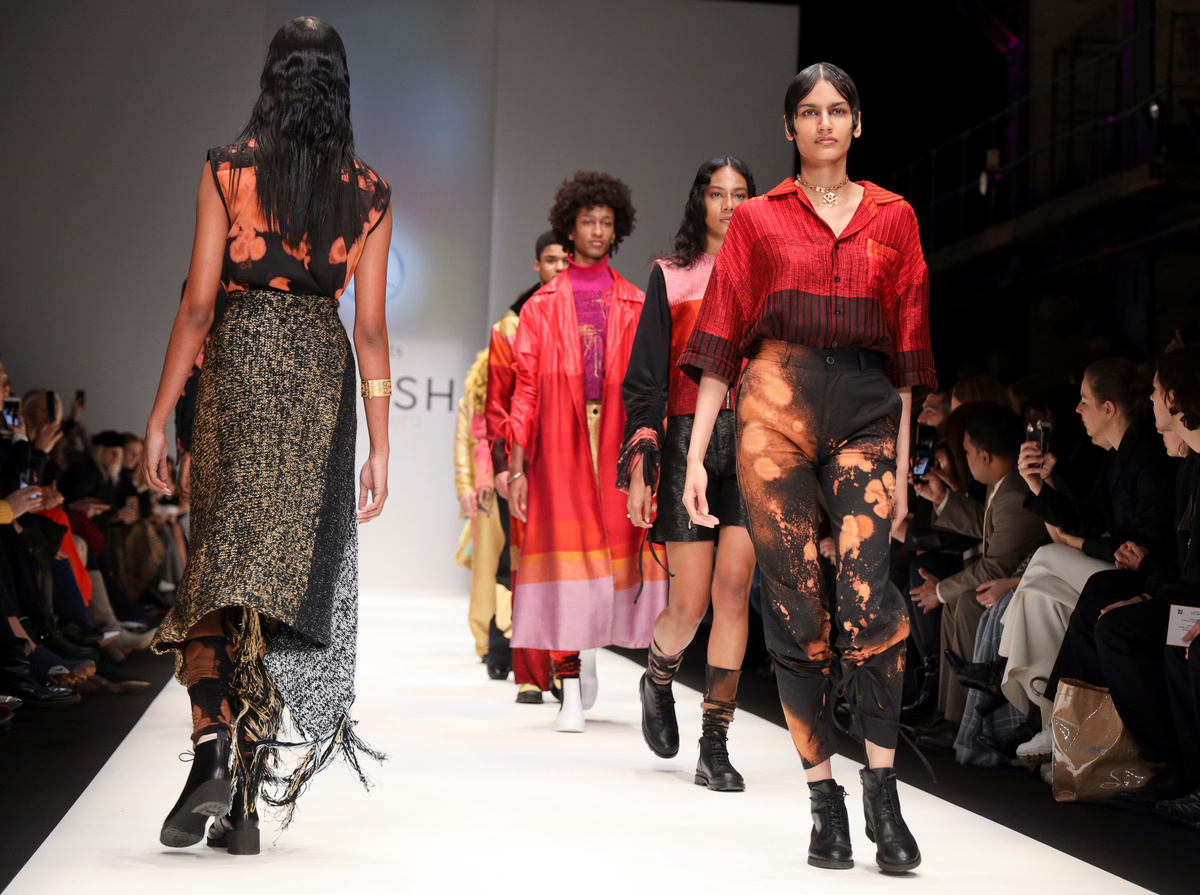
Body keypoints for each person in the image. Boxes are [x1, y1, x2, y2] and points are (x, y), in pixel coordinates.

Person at [141, 17, 391, 856]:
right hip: (320, 379)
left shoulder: (228, 168)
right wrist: (381, 445)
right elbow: (373, 331)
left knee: (217, 570)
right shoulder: (369, 190)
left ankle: (213, 741)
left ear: (272, 77)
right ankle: (244, 804)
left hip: (240, 367)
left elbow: (197, 306)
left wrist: (159, 414)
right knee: (282, 589)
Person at [680, 62, 934, 873]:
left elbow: (910, 355)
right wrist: (696, 456)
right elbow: (721, 337)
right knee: (794, 606)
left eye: (838, 109)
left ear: (857, 123)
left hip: (864, 405)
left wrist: (903, 469)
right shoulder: (757, 221)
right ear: (790, 127)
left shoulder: (895, 217)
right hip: (772, 406)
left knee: (871, 597)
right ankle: (824, 800)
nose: (825, 122)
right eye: (810, 111)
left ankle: (883, 794)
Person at [507, 172, 668, 732]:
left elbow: (650, 385)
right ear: (569, 228)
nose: (597, 230)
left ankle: (591, 649)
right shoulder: (541, 306)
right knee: (564, 560)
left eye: (606, 222)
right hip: (561, 439)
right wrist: (517, 464)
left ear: (616, 230)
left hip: (620, 437)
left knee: (616, 553)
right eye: (587, 221)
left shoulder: (636, 300)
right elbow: (525, 389)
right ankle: (570, 685)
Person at [617, 156, 758, 790]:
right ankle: (658, 675)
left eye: (740, 194)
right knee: (690, 605)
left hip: (754, 445)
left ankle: (715, 743)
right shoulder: (670, 276)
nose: (729, 205)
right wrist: (643, 463)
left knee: (734, 591)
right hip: (685, 447)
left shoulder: (768, 277)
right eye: (717, 194)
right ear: (699, 201)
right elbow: (645, 377)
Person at [908, 403, 1047, 744]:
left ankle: (963, 721)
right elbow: (989, 526)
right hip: (1013, 577)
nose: (965, 459)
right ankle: (950, 713)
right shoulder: (1004, 483)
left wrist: (939, 591)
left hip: (1027, 582)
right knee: (959, 602)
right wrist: (942, 498)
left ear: (985, 456)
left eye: (967, 452)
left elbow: (994, 566)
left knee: (967, 601)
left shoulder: (1013, 492)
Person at [487, 231, 568, 702]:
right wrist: (501, 464)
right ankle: (533, 674)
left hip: (571, 457)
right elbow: (497, 401)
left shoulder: (585, 319)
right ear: (537, 265)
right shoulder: (510, 325)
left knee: (568, 566)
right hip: (522, 459)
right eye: (551, 260)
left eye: (566, 261)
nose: (559, 268)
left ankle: (566, 669)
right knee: (526, 567)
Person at [453, 348, 512, 674]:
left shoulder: (515, 396)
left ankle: (514, 637)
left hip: (513, 482)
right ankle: (488, 642)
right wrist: (465, 486)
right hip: (484, 492)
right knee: (487, 568)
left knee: (514, 564)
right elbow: (464, 443)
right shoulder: (474, 399)